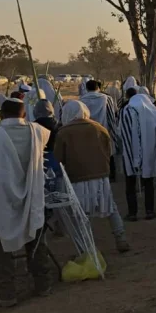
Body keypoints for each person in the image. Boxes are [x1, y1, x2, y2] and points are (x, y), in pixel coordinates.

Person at [0, 99, 52, 307]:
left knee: (0, 249)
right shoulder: (39, 132)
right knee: (36, 243)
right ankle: (43, 285)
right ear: (24, 114)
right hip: (32, 198)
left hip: (1, 203)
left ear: (2, 115)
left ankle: (6, 294)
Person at [54, 100, 130, 253]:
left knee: (80, 214)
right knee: (110, 207)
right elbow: (108, 152)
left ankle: (87, 248)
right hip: (101, 176)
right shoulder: (99, 128)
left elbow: (58, 159)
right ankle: (120, 238)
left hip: (77, 178)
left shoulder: (63, 132)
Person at [118, 87, 156, 221]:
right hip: (149, 152)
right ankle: (149, 211)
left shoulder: (126, 111)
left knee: (130, 183)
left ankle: (132, 213)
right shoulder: (153, 112)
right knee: (148, 181)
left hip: (130, 152)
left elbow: (120, 132)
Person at [80, 80, 119, 181]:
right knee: (108, 154)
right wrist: (113, 133)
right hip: (104, 130)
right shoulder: (106, 98)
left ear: (87, 88)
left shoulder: (81, 100)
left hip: (87, 131)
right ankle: (111, 176)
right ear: (98, 88)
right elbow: (111, 116)